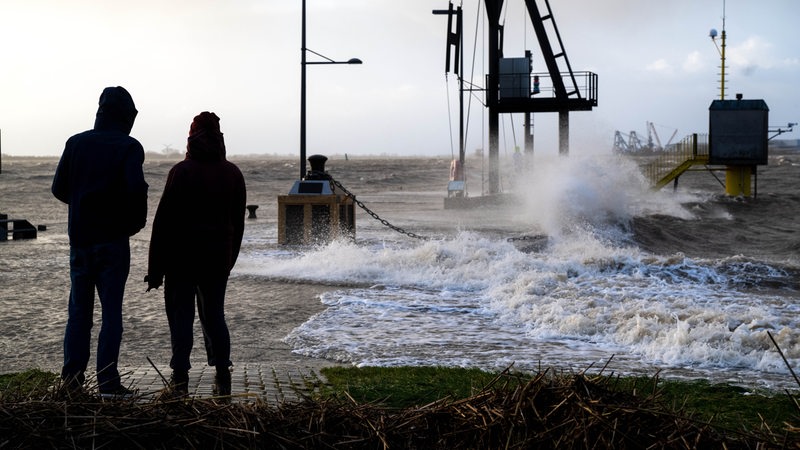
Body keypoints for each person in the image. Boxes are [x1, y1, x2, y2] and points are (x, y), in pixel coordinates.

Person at [52, 86, 148, 399]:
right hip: (113, 242)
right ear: (127, 117)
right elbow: (136, 192)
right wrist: (131, 225)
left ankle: (72, 382)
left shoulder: (75, 143)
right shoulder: (129, 147)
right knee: (111, 314)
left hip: (80, 241)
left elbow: (58, 188)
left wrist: (82, 204)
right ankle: (108, 382)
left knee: (79, 313)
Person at [146, 111, 246, 397]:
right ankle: (222, 372)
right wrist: (230, 259)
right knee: (214, 314)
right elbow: (237, 223)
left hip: (181, 259)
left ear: (191, 138)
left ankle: (180, 376)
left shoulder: (181, 171)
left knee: (181, 316)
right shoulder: (233, 173)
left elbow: (162, 222)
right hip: (217, 258)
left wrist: (155, 270)